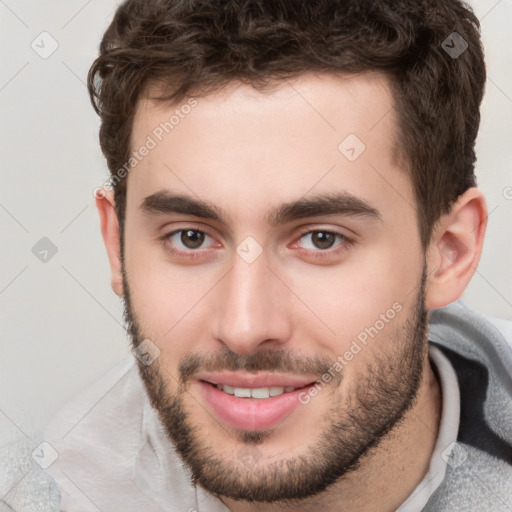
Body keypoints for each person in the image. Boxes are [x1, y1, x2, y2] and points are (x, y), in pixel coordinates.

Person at [39, 0, 512, 510]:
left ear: (449, 252)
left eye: (321, 239)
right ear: (117, 246)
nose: (244, 327)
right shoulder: (52, 493)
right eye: (190, 238)